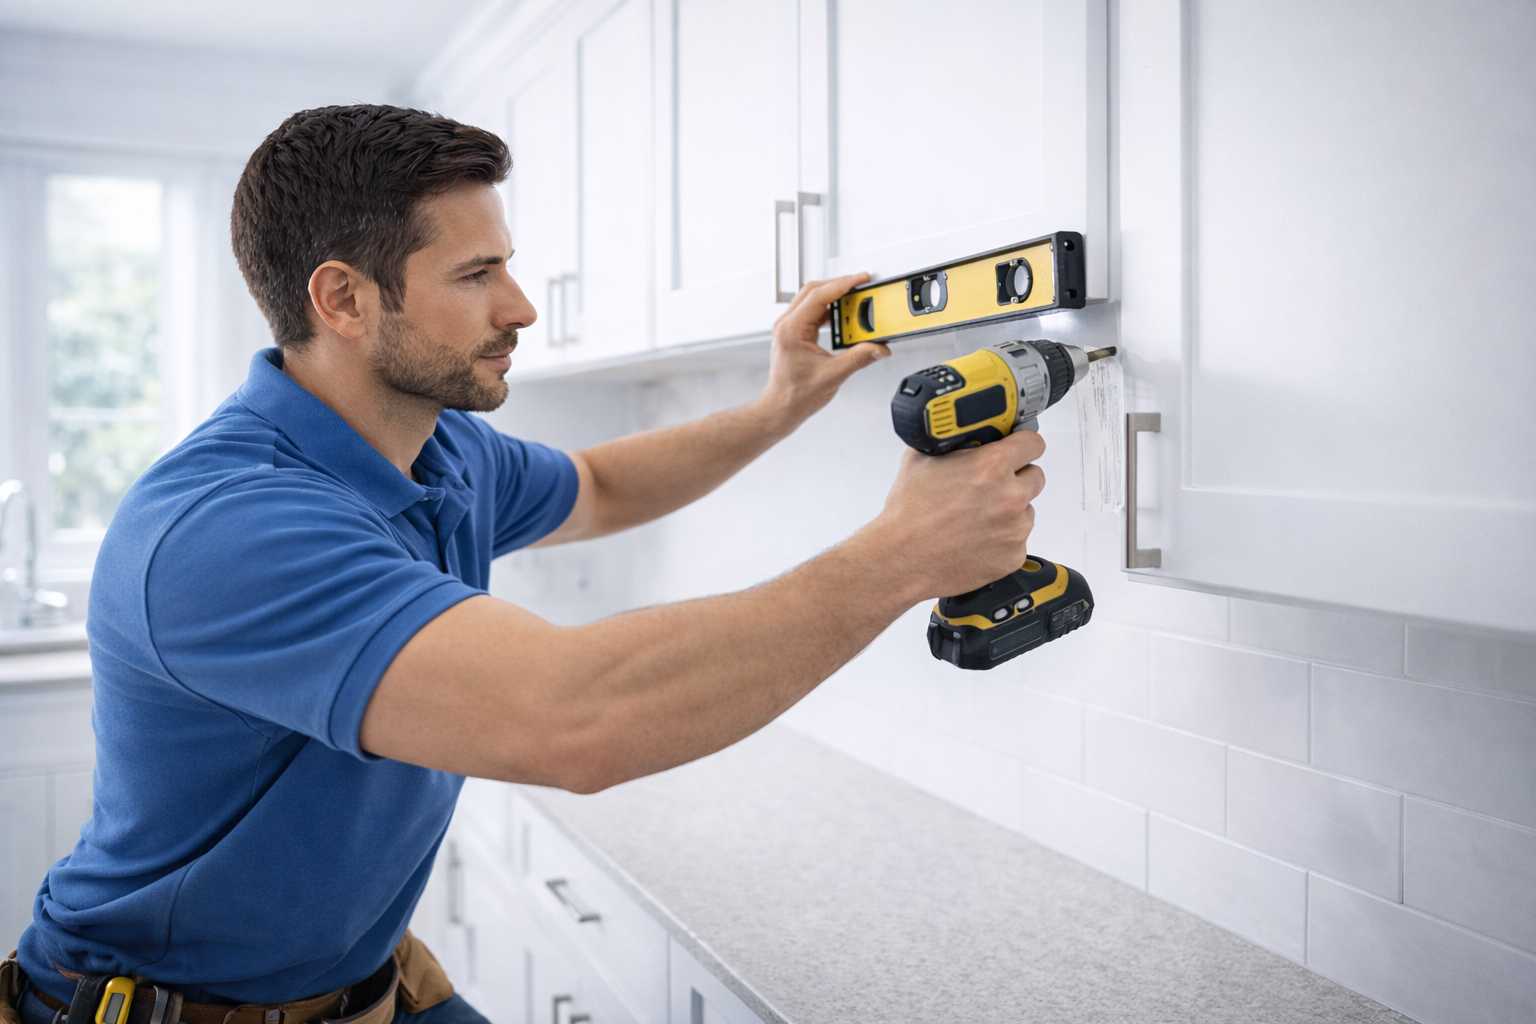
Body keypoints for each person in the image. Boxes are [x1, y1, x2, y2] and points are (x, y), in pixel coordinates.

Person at [3, 104, 1045, 1024]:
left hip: (367, 984)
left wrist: (778, 406)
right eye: (475, 274)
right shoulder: (230, 526)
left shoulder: (435, 443)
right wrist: (902, 555)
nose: (522, 306)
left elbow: (598, 485)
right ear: (344, 299)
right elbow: (574, 719)